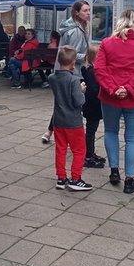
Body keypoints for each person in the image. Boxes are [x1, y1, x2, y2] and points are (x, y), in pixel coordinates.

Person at [95, 10, 134, 194]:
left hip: (110, 97)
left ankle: (114, 171)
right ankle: (130, 179)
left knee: (111, 131)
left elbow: (99, 69)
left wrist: (114, 88)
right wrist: (128, 88)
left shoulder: (106, 43)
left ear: (119, 22)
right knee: (133, 138)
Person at [49, 46, 93, 191]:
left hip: (58, 120)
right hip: (73, 122)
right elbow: (79, 102)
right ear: (73, 63)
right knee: (79, 150)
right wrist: (82, 91)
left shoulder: (52, 78)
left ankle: (61, 178)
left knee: (60, 149)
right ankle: (76, 178)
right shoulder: (74, 81)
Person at [81, 43, 105, 169]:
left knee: (92, 130)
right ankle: (88, 156)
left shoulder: (93, 70)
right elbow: (93, 91)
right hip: (92, 107)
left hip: (93, 106)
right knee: (90, 131)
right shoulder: (92, 72)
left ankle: (91, 153)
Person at [59, 0, 91, 75]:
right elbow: (71, 54)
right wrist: (89, 57)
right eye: (85, 11)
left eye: (89, 10)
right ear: (77, 13)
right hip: (75, 72)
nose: (88, 13)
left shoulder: (76, 27)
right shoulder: (76, 31)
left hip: (70, 72)